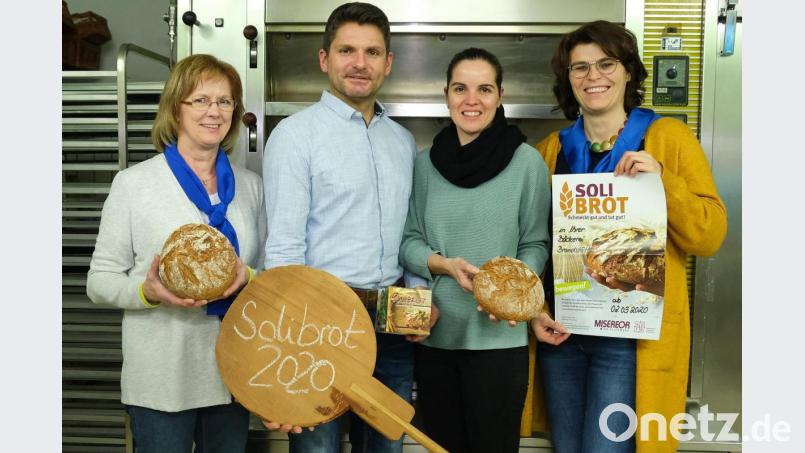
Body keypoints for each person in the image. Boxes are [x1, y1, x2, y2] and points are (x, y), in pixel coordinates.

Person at [528, 20, 727, 453]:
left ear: (629, 72)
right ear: (568, 79)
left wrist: (663, 181)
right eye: (579, 68)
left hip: (629, 340)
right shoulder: (550, 150)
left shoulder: (667, 138)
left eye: (606, 63)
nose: (592, 76)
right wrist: (535, 309)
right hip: (563, 333)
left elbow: (709, 236)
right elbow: (536, 245)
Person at [262, 3, 429, 452]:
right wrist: (286, 341)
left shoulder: (401, 142)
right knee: (318, 447)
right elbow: (282, 248)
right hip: (320, 326)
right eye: (347, 50)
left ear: (388, 63)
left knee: (386, 446)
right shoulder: (295, 136)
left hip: (390, 323)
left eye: (373, 52)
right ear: (324, 59)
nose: (360, 63)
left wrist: (416, 302)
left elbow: (409, 232)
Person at [86, 54, 266, 452]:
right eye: (200, 100)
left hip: (231, 373)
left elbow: (267, 270)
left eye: (225, 101)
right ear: (175, 109)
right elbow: (99, 281)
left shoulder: (251, 187)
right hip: (161, 379)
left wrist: (248, 278)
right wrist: (148, 292)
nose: (214, 112)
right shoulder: (134, 185)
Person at [399, 47, 551, 453]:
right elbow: (409, 241)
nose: (472, 100)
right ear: (445, 94)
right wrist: (444, 265)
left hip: (500, 340)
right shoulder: (424, 164)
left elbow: (536, 242)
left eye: (484, 89)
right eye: (460, 88)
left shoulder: (527, 163)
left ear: (500, 95)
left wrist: (511, 288)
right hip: (435, 337)